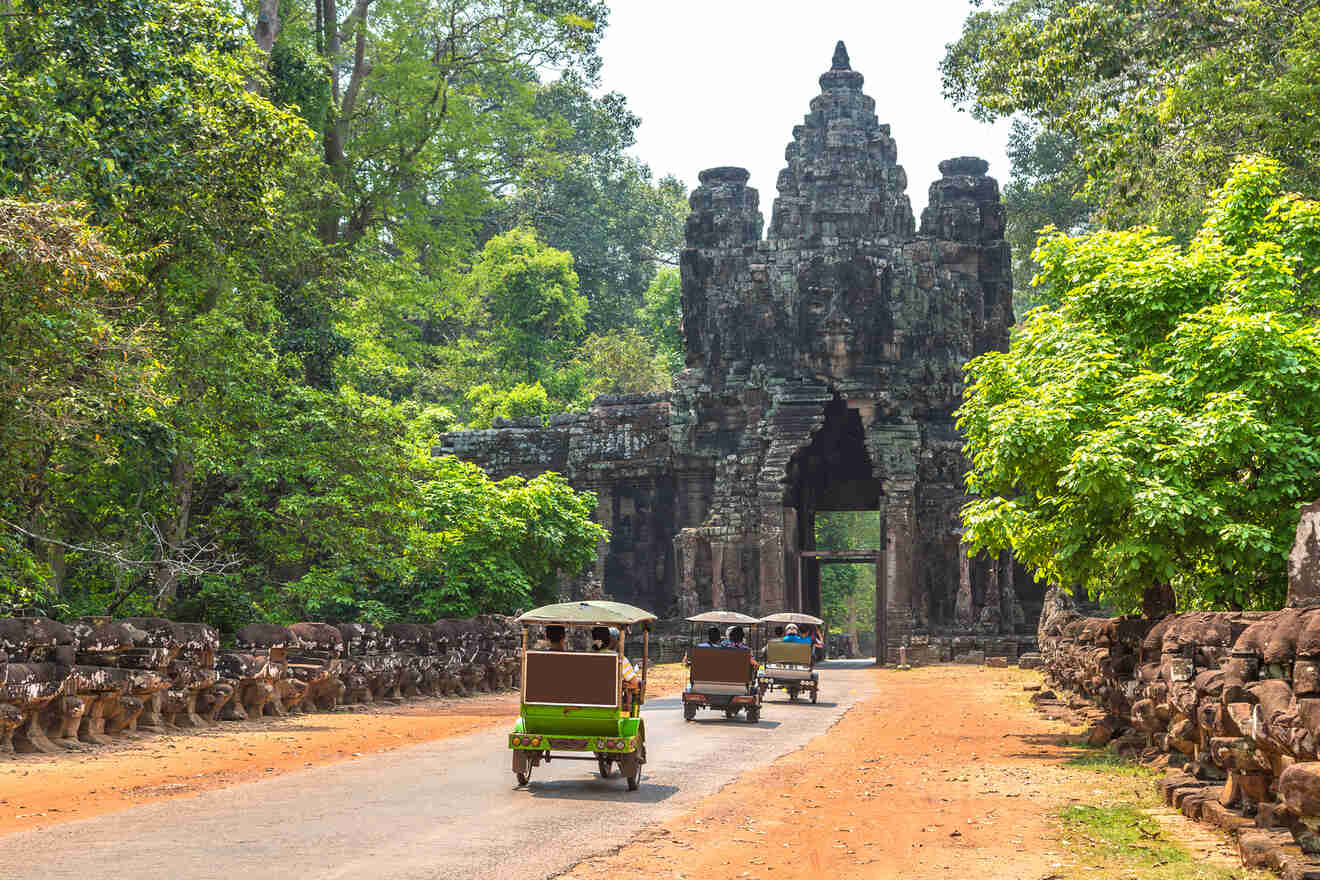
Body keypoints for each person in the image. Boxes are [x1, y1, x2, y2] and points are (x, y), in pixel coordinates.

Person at [592, 626, 639, 693]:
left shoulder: (584, 659)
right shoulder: (620, 659)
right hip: (613, 700)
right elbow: (635, 683)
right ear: (610, 640)